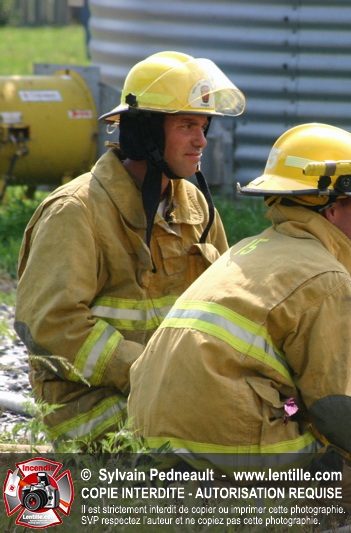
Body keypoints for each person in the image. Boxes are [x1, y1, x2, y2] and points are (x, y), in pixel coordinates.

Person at [128, 123, 351, 510]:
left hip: (149, 452)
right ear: (331, 208)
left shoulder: (248, 250)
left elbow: (300, 399)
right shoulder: (324, 277)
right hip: (220, 453)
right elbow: (339, 411)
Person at [13, 51, 245, 445]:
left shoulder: (196, 207)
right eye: (187, 125)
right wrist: (148, 371)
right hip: (91, 408)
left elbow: (227, 307)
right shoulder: (76, 211)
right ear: (146, 132)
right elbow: (50, 325)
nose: (201, 141)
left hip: (170, 393)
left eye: (204, 126)